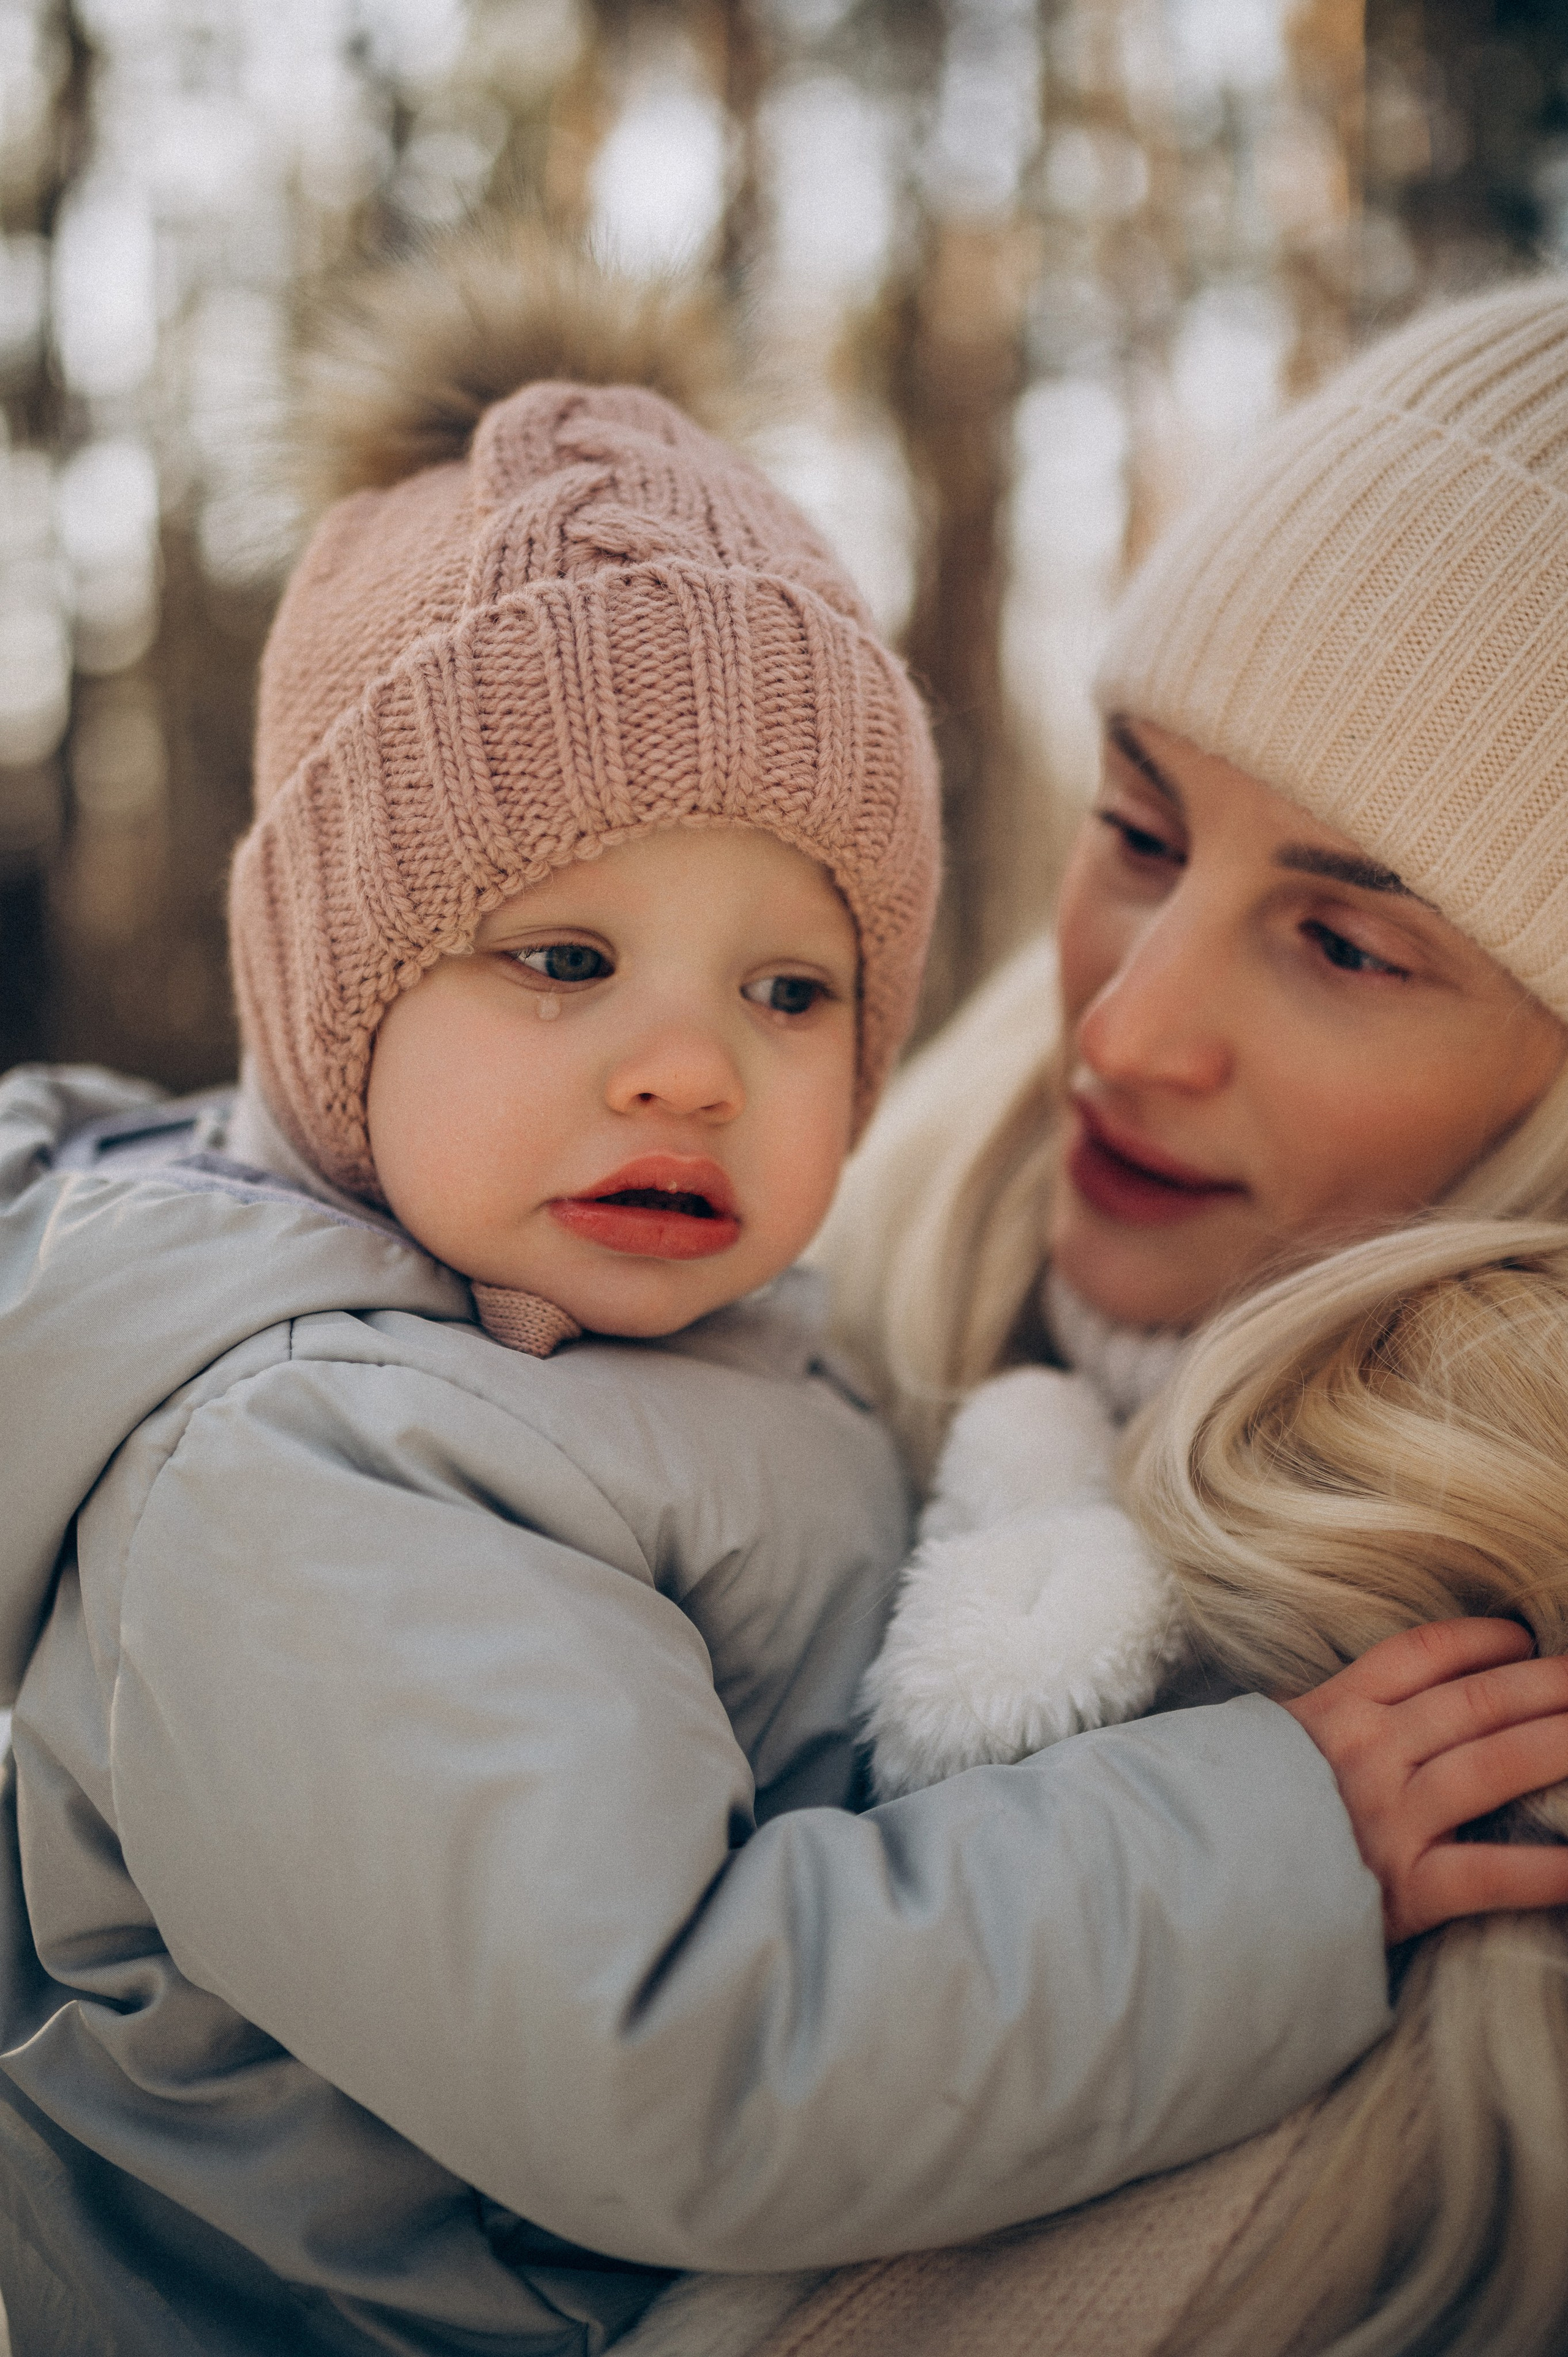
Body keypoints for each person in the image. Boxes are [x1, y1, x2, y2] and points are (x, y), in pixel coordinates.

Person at [0, 230, 1548, 2356]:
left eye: (792, 987)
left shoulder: (688, 1335)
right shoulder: (309, 1470)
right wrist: (1270, 1852)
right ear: (330, 999)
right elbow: (673, 2058)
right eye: (562, 960)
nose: (685, 1066)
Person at [617, 274, 1568, 2357]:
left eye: (1340, 943)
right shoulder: (759, 1279)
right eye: (1138, 832)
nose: (1124, 1029)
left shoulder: (1498, 1807)